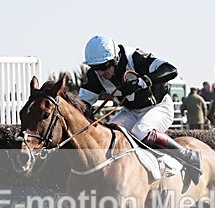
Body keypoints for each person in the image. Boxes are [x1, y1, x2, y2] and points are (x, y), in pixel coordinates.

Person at [78, 35, 202, 182]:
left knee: (140, 131)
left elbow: (171, 69)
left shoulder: (134, 57)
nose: (100, 72)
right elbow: (82, 103)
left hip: (158, 107)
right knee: (110, 134)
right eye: (95, 67)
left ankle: (187, 154)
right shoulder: (95, 76)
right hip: (130, 112)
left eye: (104, 66)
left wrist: (143, 81)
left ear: (115, 59)